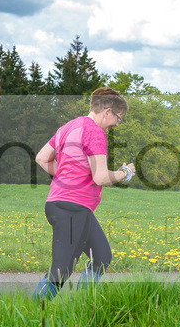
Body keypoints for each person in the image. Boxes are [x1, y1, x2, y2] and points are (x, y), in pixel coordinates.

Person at [32, 87, 136, 300]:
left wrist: (64, 178)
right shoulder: (94, 132)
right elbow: (100, 177)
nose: (117, 124)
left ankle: (81, 305)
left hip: (66, 206)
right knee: (61, 270)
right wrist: (124, 174)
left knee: (102, 256)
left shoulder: (69, 126)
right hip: (71, 208)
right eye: (118, 118)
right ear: (107, 112)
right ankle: (33, 313)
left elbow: (42, 158)